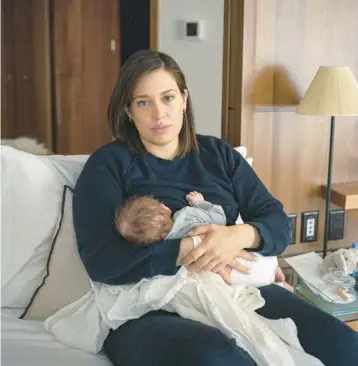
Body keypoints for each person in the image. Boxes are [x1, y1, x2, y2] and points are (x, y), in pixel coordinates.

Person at [73, 49, 358, 366]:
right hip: (147, 306)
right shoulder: (108, 164)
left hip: (237, 292)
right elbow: (101, 261)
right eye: (143, 102)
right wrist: (192, 248)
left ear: (184, 99)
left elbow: (278, 225)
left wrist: (239, 236)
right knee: (220, 359)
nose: (159, 114)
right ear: (128, 110)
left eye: (167, 98)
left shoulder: (218, 155)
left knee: (345, 345)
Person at [115, 192, 292, 290]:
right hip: (256, 256)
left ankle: (279, 285)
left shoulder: (166, 249)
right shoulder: (188, 214)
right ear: (165, 208)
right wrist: (200, 202)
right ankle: (279, 283)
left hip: (233, 278)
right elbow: (219, 217)